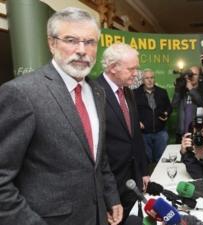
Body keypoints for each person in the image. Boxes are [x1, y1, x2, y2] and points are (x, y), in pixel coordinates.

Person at [0, 7, 122, 225]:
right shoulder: (22, 93)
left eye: (90, 42)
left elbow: (99, 159)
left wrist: (111, 197)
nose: (82, 50)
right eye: (71, 40)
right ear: (52, 43)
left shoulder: (97, 92)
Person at [96, 43, 149, 224]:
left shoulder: (128, 92)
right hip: (109, 180)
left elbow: (135, 136)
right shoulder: (94, 93)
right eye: (131, 69)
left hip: (132, 178)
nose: (136, 73)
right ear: (113, 68)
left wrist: (143, 171)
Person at [135, 68, 172, 163]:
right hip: (143, 134)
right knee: (146, 160)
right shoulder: (134, 93)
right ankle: (149, 177)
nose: (150, 80)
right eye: (147, 78)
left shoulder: (162, 92)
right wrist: (136, 121)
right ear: (142, 80)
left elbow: (169, 107)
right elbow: (130, 111)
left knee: (161, 160)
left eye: (152, 77)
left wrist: (166, 113)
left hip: (161, 133)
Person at [171, 66, 203, 143]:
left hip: (197, 131)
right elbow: (174, 105)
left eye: (194, 74)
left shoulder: (202, 90)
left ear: (199, 77)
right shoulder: (182, 90)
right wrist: (177, 89)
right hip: (181, 132)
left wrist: (191, 89)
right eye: (190, 74)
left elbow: (201, 103)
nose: (192, 76)